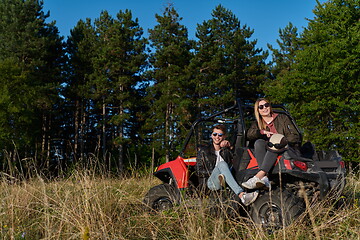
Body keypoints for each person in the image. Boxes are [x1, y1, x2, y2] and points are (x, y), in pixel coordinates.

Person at [242, 98, 301, 190]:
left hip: (284, 146)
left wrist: (281, 140)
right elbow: (249, 134)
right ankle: (265, 178)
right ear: (258, 110)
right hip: (268, 148)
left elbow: (294, 136)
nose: (264, 108)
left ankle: (259, 175)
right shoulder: (257, 123)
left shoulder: (282, 118)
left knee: (275, 140)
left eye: (266, 105)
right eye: (261, 107)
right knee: (259, 142)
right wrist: (262, 132)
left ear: (270, 106)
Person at [196, 124, 258, 206]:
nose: (217, 137)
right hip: (211, 181)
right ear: (211, 135)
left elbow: (236, 160)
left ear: (224, 137)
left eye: (220, 135)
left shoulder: (226, 150)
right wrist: (217, 171)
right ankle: (242, 195)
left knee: (231, 168)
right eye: (215, 134)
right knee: (222, 164)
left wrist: (230, 147)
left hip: (226, 178)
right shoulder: (204, 151)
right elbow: (198, 170)